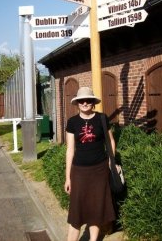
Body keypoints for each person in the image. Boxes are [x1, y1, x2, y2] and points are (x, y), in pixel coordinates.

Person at [64, 86, 116, 241]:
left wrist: (110, 162)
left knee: (96, 208)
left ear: (93, 102)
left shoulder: (102, 118)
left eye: (88, 100)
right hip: (79, 171)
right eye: (81, 100)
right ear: (77, 103)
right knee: (76, 212)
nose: (85, 103)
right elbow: (70, 150)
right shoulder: (72, 122)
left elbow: (111, 142)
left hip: (100, 171)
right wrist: (68, 177)